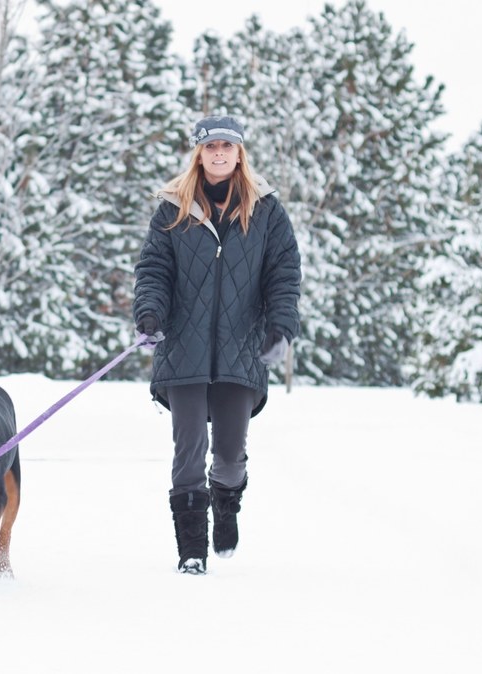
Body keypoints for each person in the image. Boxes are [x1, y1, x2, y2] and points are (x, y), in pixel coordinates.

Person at [132, 115, 301, 575]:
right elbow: (154, 271)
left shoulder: (266, 210)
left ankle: (227, 503)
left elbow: (283, 275)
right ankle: (191, 549)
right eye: (211, 147)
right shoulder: (173, 209)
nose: (219, 153)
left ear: (240, 152)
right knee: (187, 449)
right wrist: (149, 313)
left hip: (241, 348)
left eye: (228, 146)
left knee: (228, 454)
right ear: (198, 154)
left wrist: (280, 327)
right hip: (182, 347)